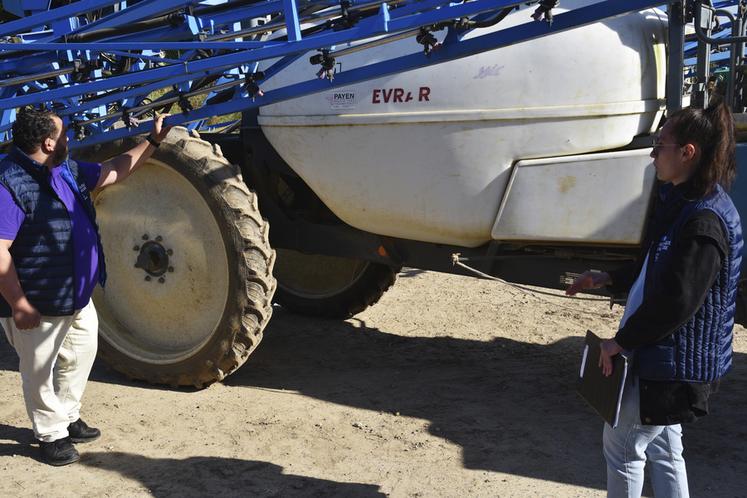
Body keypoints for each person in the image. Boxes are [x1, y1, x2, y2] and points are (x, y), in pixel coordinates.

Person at [566, 100, 743, 498]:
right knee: (664, 449)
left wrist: (620, 342)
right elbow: (656, 267)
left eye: (659, 145)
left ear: (688, 153)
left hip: (672, 364)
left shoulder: (704, 220)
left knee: (623, 447)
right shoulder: (684, 201)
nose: (652, 153)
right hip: (668, 360)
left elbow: (676, 301)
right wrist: (607, 277)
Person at [0, 108, 172, 466]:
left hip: (76, 295)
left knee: (81, 352)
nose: (69, 140)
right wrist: (18, 303)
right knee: (39, 369)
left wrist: (153, 141)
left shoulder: (64, 169)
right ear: (48, 142)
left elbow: (114, 171)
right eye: (64, 135)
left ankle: (66, 414)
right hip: (37, 299)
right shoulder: (8, 183)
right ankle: (50, 434)